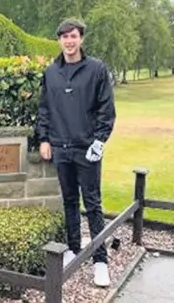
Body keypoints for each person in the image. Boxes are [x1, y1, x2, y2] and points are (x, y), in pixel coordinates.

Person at [35, 19, 116, 287]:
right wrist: (44, 138)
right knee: (69, 201)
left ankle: (100, 262)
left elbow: (106, 108)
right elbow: (45, 109)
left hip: (87, 149)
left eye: (73, 36)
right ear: (59, 40)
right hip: (61, 147)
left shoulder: (96, 69)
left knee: (92, 204)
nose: (69, 41)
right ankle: (72, 248)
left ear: (81, 39)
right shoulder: (51, 72)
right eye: (64, 37)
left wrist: (100, 140)